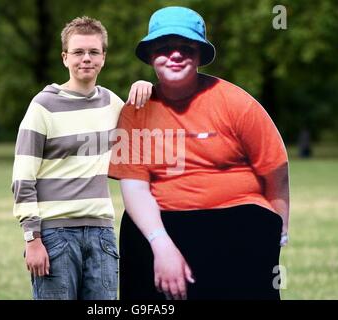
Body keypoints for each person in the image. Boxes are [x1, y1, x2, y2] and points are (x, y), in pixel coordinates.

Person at [109, 6, 290, 300]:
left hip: (237, 216)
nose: (175, 55)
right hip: (167, 219)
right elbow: (134, 188)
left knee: (255, 228)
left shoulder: (236, 102)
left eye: (186, 47)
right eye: (165, 48)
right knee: (135, 229)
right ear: (151, 55)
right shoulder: (135, 111)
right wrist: (162, 246)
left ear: (199, 55)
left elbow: (275, 171)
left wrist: (279, 230)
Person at [11, 16, 152, 300]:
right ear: (65, 58)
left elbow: (148, 135)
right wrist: (32, 239)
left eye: (93, 52)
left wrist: (145, 85)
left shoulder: (113, 104)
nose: (86, 59)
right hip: (55, 236)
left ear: (103, 58)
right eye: (78, 52)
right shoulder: (42, 106)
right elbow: (22, 178)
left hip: (102, 236)